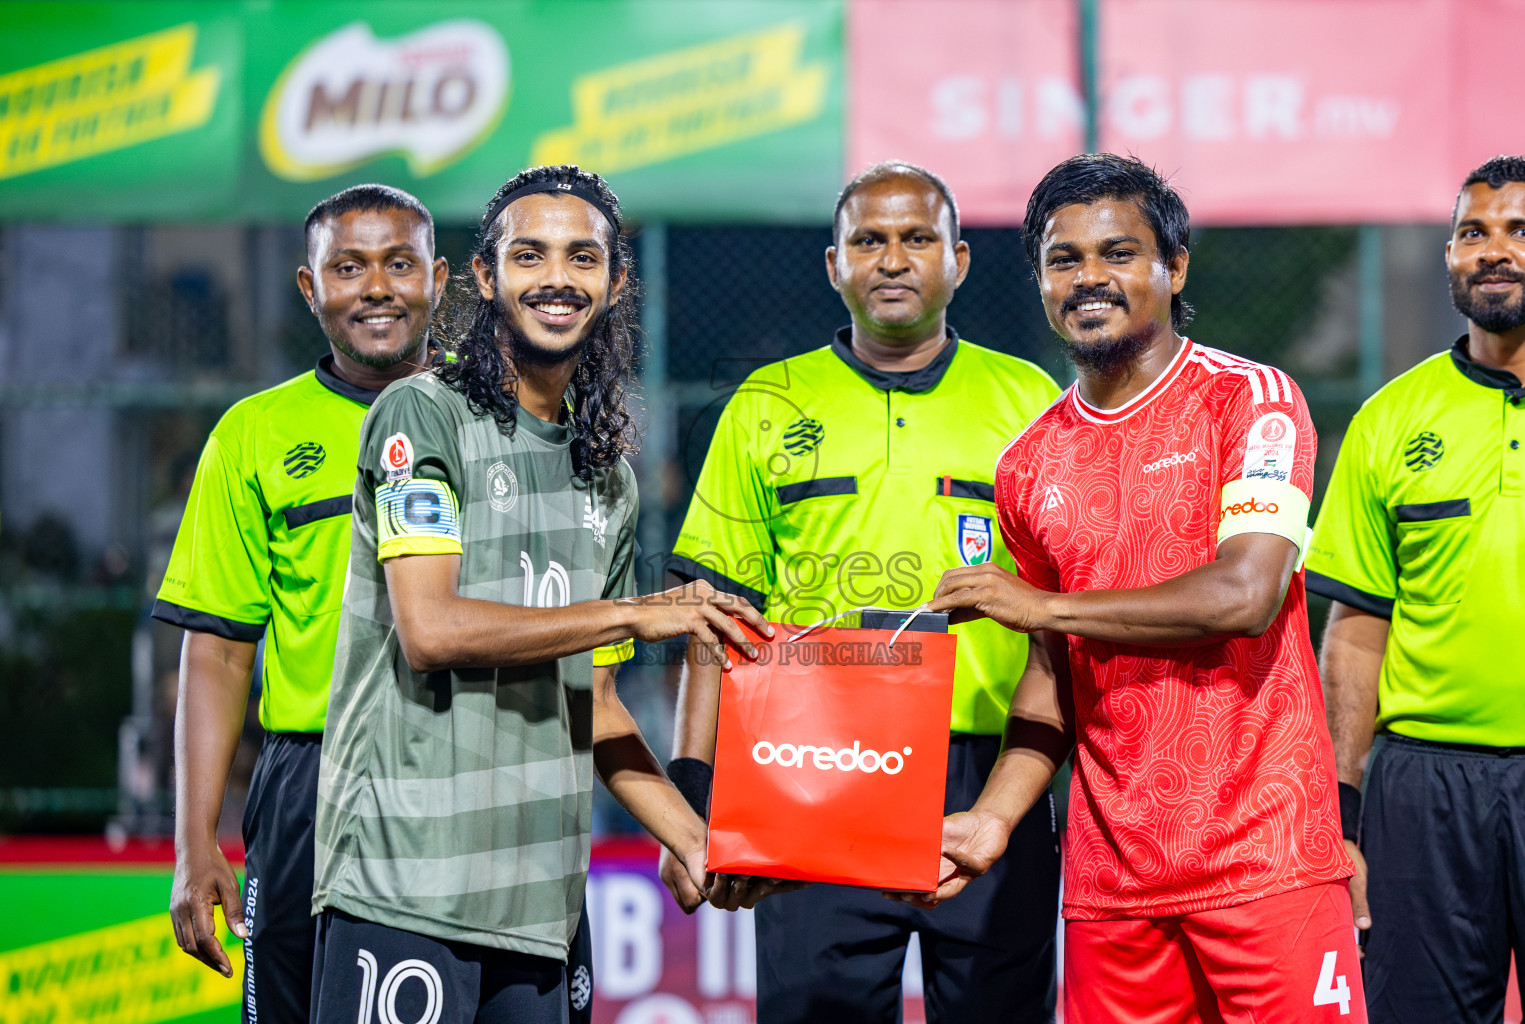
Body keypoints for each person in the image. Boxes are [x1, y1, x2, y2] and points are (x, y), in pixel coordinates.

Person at [308, 165, 771, 1024]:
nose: (557, 277)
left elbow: (591, 699)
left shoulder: (608, 480)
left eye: (581, 257)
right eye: (529, 255)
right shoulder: (422, 415)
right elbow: (431, 629)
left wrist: (694, 840)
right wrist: (634, 612)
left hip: (542, 908)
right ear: (485, 277)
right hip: (407, 886)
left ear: (613, 281)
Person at [910, 153, 1362, 1023]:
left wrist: (1040, 606)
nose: (1089, 279)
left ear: (1174, 265)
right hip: (1112, 881)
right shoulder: (1027, 463)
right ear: (1040, 280)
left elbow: (1246, 595)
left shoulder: (1252, 401)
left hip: (1265, 860)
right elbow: (1053, 675)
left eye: (1117, 254)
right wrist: (994, 819)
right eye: (1063, 259)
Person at [662, 161, 1063, 1023]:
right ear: (833, 264)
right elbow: (712, 615)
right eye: (868, 241)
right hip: (810, 774)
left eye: (916, 238)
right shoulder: (767, 403)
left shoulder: (1029, 401)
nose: (892, 259)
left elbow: (1059, 621)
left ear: (957, 259)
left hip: (988, 772)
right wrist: (695, 797)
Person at [157, 185, 448, 1023]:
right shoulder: (253, 434)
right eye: (348, 268)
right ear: (309, 287)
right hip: (310, 780)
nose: (377, 288)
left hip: (463, 765)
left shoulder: (496, 418)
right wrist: (192, 843)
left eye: (400, 263)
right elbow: (215, 650)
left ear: (440, 278)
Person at [1307, 155, 1525, 1023]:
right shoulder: (1390, 419)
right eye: (1473, 233)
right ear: (1448, 257)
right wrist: (1342, 814)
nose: (1495, 251)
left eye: (1522, 231)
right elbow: (1355, 631)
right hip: (1425, 792)